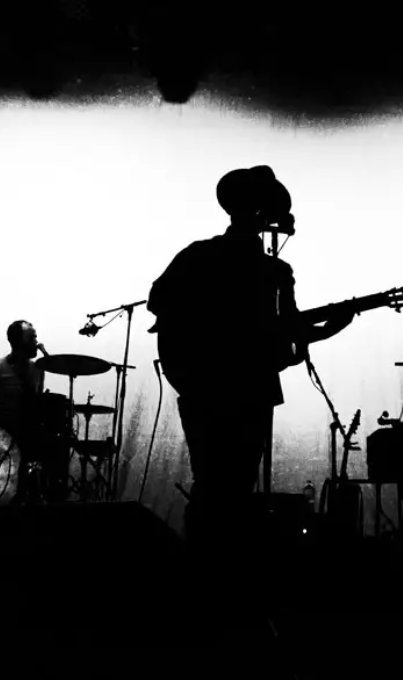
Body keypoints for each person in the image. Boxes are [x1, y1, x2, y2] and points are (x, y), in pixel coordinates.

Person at [148, 166, 354, 556]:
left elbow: (158, 300)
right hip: (244, 388)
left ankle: (202, 561)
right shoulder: (273, 270)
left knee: (211, 481)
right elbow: (289, 329)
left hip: (204, 384)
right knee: (236, 483)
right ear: (265, 216)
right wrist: (328, 330)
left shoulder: (199, 254)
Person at [0, 320, 55, 501]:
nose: (37, 342)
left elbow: (36, 403)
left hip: (26, 438)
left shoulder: (38, 370)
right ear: (17, 341)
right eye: (32, 337)